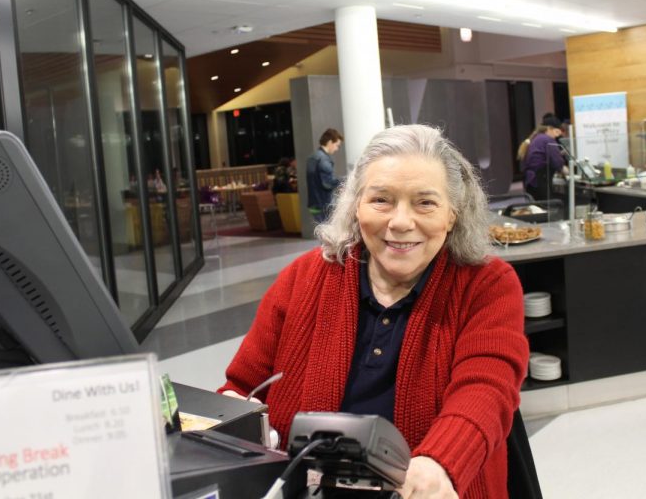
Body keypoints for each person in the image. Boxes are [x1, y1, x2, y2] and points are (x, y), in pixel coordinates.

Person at [219, 125, 528, 499]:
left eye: (425, 203)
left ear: (452, 215)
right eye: (381, 200)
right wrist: (231, 413)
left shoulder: (486, 285)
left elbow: (486, 387)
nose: (400, 222)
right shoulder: (303, 278)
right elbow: (240, 387)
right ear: (356, 206)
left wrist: (440, 463)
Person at [521, 115, 567, 201]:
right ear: (549, 128)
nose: (557, 136)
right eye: (556, 132)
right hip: (539, 181)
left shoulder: (538, 137)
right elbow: (558, 163)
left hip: (531, 181)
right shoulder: (547, 139)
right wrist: (570, 173)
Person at [306, 128, 344, 223]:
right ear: (330, 142)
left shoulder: (312, 158)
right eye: (337, 145)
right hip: (324, 204)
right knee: (328, 233)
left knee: (322, 232)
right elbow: (327, 183)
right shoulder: (324, 160)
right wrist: (344, 180)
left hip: (313, 203)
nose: (337, 149)